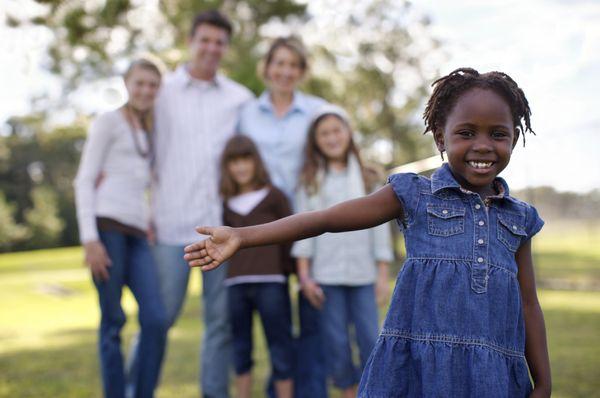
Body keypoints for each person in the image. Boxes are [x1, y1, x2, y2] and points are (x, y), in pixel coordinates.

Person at [184, 68, 553, 397]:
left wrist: (544, 381)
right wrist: (243, 236)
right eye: (466, 133)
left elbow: (527, 304)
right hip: (420, 370)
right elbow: (325, 218)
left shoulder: (518, 218)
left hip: (490, 376)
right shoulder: (414, 195)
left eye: (498, 134)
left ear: (515, 137)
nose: (483, 146)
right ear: (441, 138)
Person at [151, 10, 253, 398]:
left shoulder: (239, 99)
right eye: (205, 40)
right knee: (158, 319)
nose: (211, 48)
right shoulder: (161, 92)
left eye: (219, 42)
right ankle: (135, 388)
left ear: (226, 48)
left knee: (219, 324)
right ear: (190, 40)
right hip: (168, 226)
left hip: (221, 231)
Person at [237, 36, 328, 398]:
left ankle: (309, 390)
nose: (285, 71)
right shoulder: (246, 114)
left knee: (311, 316)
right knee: (273, 316)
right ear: (267, 67)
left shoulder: (318, 111)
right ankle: (279, 388)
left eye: (293, 64)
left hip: (308, 225)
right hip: (260, 229)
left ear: (302, 70)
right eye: (279, 63)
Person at [74, 58, 168, 398]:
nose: (145, 90)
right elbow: (84, 180)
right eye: (139, 82)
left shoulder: (148, 129)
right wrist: (90, 240)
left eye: (153, 84)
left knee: (156, 319)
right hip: (107, 231)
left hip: (138, 235)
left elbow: (146, 184)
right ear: (127, 83)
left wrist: (152, 219)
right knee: (113, 323)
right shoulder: (108, 122)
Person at [291, 105, 393, 397]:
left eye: (337, 130)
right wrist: (304, 277)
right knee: (336, 343)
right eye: (324, 133)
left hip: (363, 275)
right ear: (316, 140)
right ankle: (349, 392)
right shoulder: (310, 181)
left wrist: (382, 275)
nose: (332, 137)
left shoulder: (369, 178)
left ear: (349, 133)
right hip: (327, 276)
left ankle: (372, 390)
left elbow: (379, 230)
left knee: (370, 338)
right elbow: (303, 231)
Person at [219, 135, 294, 398]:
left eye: (245, 160)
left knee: (280, 347)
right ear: (227, 166)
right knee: (240, 349)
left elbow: (289, 237)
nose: (240, 167)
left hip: (272, 284)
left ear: (256, 162)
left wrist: (287, 273)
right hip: (235, 286)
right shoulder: (224, 204)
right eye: (234, 162)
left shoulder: (275, 196)